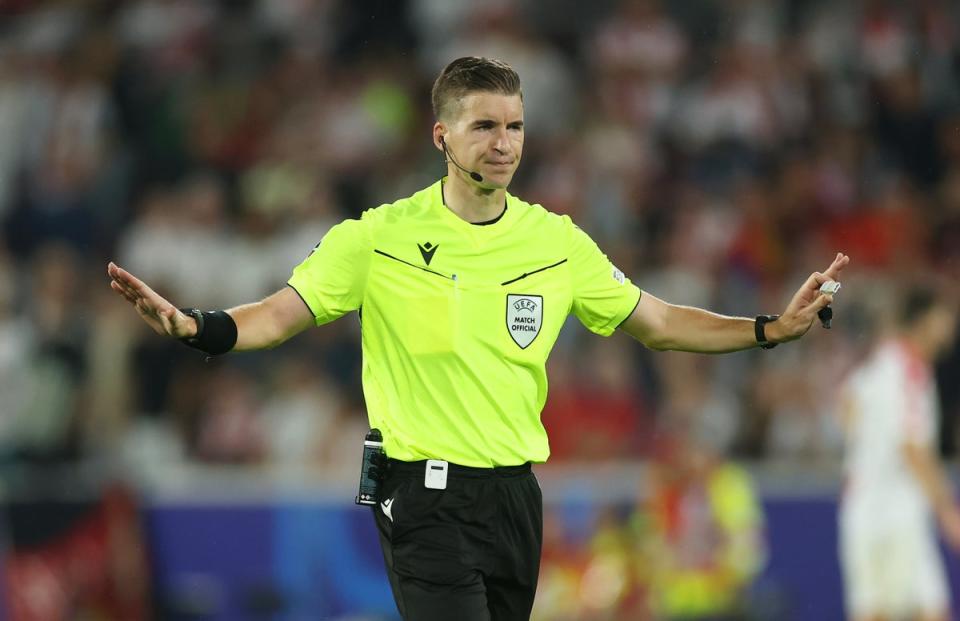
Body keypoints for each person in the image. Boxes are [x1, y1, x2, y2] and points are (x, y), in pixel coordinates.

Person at [107, 57, 849, 621]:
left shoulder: (556, 241)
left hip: (515, 496)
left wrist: (769, 330)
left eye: (515, 126)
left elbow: (656, 322)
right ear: (442, 135)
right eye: (485, 126)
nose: (504, 143)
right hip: (422, 493)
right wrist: (195, 327)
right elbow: (279, 313)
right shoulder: (378, 237)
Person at [838, 284, 960, 621]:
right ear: (922, 320)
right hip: (896, 507)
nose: (950, 322)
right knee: (927, 611)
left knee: (882, 611)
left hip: (863, 502)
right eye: (943, 315)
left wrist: (868, 451)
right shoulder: (909, 368)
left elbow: (846, 408)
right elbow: (912, 447)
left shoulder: (882, 360)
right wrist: (947, 511)